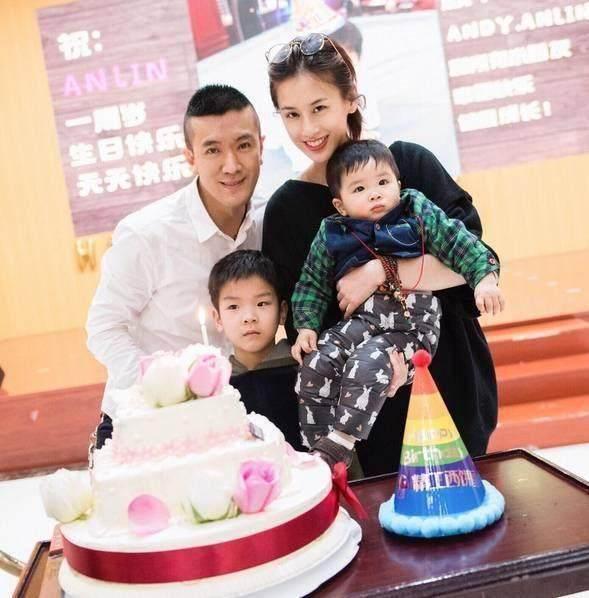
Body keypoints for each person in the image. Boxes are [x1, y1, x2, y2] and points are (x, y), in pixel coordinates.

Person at [263, 32, 501, 476]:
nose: (307, 129)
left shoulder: (410, 165)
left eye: (319, 108)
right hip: (365, 417)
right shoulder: (287, 209)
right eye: (291, 115)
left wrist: (382, 271)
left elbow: (472, 262)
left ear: (350, 98)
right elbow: (305, 321)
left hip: (447, 383)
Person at [290, 139, 503, 468]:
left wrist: (485, 280)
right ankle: (317, 448)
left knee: (367, 362)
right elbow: (312, 283)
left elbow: (460, 243)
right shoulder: (332, 231)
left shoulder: (416, 210)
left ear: (398, 185)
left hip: (411, 325)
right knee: (318, 361)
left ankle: (342, 441)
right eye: (359, 188)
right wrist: (306, 326)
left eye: (383, 182)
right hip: (361, 323)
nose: (375, 194)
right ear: (340, 205)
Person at [86, 84, 265, 448]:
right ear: (190, 157)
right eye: (212, 150)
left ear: (261, 146)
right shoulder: (147, 234)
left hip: (231, 419)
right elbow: (104, 328)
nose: (231, 165)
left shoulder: (270, 217)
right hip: (147, 424)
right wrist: (164, 390)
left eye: (243, 145)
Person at [207, 249, 303, 450]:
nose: (249, 317)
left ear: (282, 311)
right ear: (217, 318)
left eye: (261, 303)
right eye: (234, 307)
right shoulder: (216, 387)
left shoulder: (305, 371)